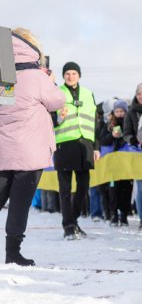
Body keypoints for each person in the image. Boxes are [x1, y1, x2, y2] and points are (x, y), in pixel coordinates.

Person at [0, 28, 65, 265]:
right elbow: (58, 100)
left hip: (4, 151)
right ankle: (13, 253)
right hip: (29, 153)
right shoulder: (36, 76)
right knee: (19, 205)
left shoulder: (4, 75)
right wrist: (49, 80)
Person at [53, 61, 100, 240]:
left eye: (73, 73)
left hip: (85, 144)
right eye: (67, 74)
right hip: (64, 144)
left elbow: (95, 121)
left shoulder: (88, 94)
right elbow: (50, 119)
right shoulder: (57, 93)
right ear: (63, 76)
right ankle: (68, 226)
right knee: (65, 188)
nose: (70, 76)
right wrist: (58, 117)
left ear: (79, 75)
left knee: (83, 187)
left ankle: (73, 220)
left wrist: (96, 147)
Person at [123, 82, 142, 230]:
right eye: (139, 94)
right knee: (141, 187)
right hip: (137, 152)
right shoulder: (131, 112)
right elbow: (126, 132)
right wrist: (132, 140)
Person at [99, 100, 133, 227]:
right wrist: (112, 135)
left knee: (126, 188)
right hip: (112, 163)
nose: (119, 114)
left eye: (122, 111)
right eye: (117, 111)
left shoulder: (129, 123)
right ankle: (113, 214)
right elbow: (102, 140)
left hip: (126, 162)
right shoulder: (108, 125)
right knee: (113, 189)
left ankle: (124, 215)